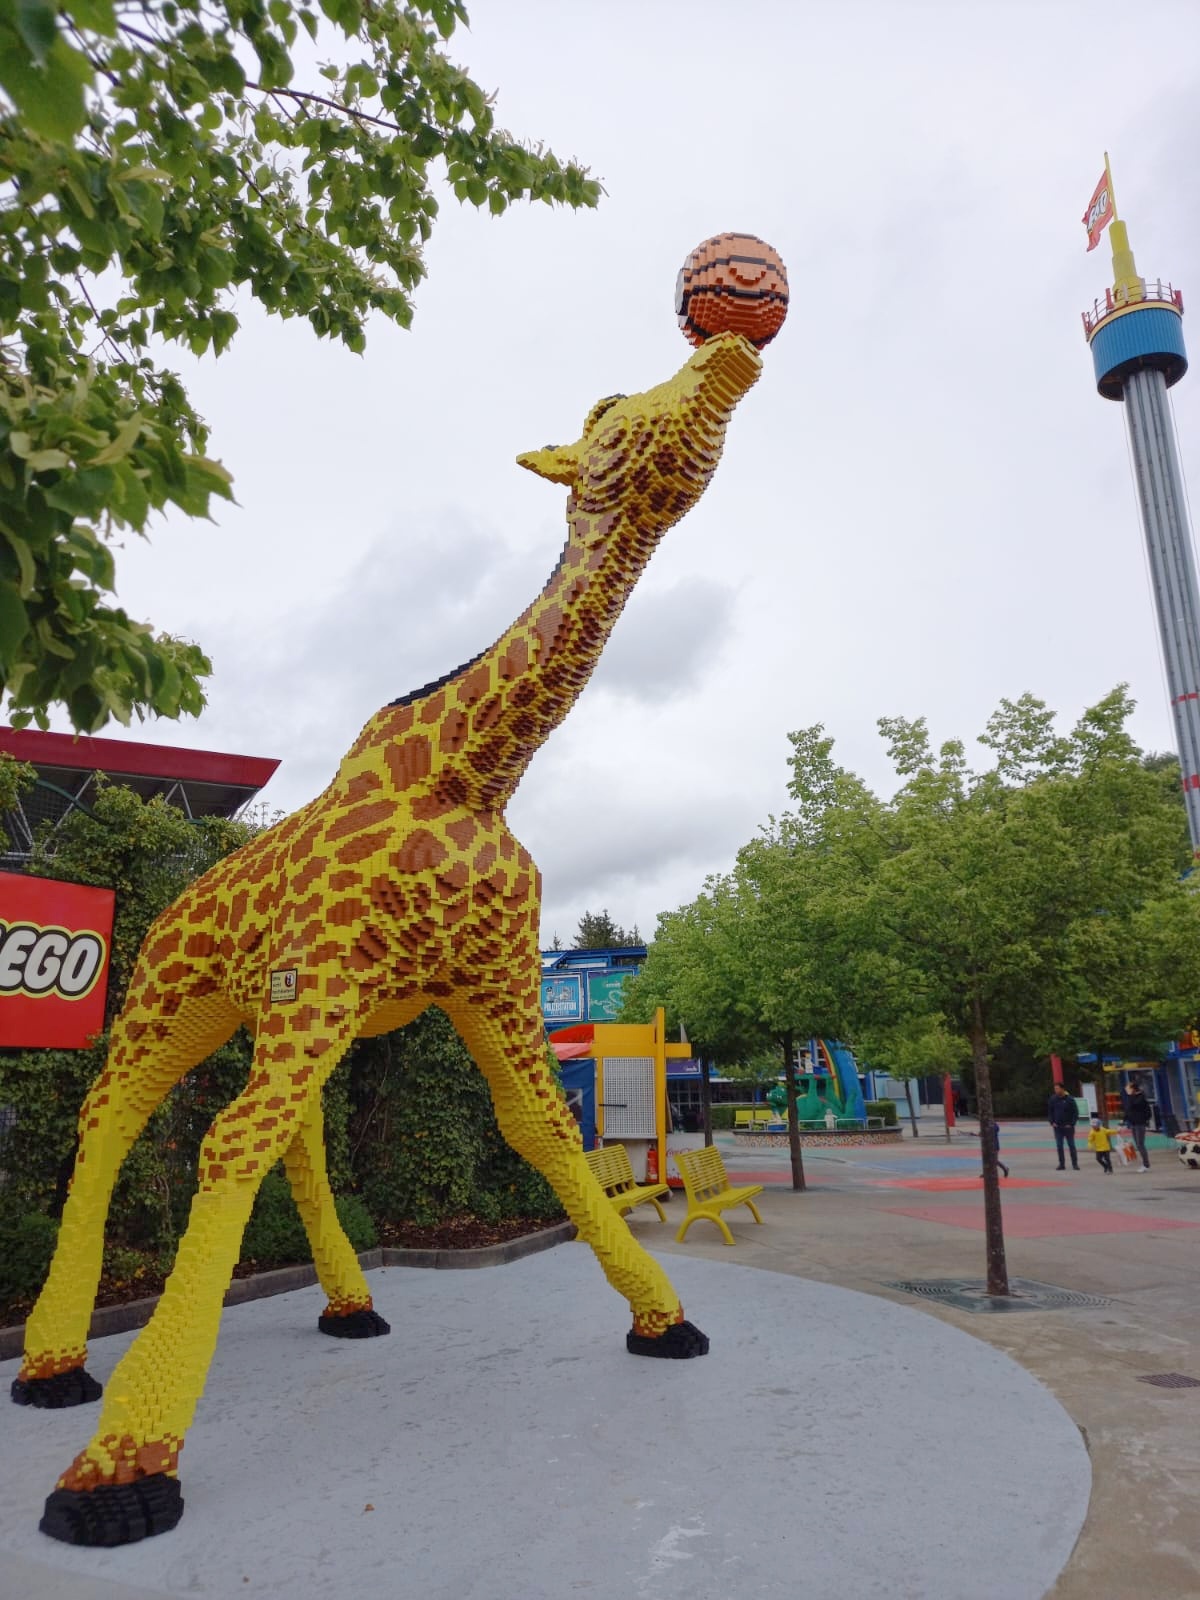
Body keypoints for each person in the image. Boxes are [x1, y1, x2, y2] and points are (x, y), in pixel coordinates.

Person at [1048, 1083, 1080, 1171]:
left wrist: (1072, 1124)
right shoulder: (1053, 1099)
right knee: (1059, 1146)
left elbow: (1075, 1112)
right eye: (1055, 1089)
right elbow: (1050, 1112)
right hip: (1058, 1127)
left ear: (1062, 1089)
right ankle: (1061, 1164)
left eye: (1057, 1088)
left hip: (1068, 1127)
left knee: (1071, 1145)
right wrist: (1052, 1122)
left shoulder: (1070, 1099)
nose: (1056, 1090)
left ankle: (1075, 1164)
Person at [1123, 1076, 1152, 1172]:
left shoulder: (1140, 1097)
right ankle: (1145, 1164)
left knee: (1140, 1144)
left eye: (1128, 1089)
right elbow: (1128, 1110)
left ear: (1133, 1089)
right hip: (1133, 1123)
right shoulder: (1131, 1098)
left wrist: (1144, 1120)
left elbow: (1135, 1105)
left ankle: (1146, 1165)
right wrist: (1123, 1121)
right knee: (1138, 1144)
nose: (1126, 1091)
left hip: (1140, 1123)